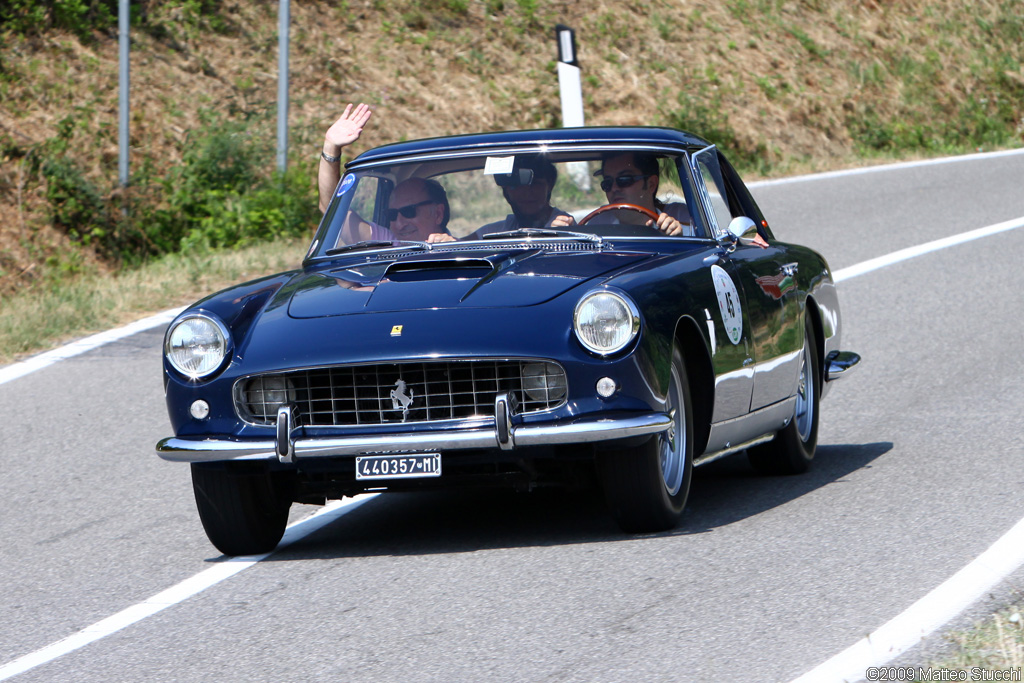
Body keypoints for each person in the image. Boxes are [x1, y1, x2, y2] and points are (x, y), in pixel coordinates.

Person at [319, 103, 454, 244]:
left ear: (438, 213)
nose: (399, 224)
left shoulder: (464, 253)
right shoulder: (388, 242)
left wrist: (450, 249)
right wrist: (330, 148)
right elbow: (332, 210)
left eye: (409, 212)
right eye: (392, 215)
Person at [596, 151, 694, 236]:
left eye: (624, 180)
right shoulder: (598, 224)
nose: (614, 188)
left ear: (651, 184)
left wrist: (676, 241)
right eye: (607, 183)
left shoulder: (684, 222)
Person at [474, 156, 574, 237]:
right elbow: (467, 241)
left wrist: (559, 234)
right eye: (517, 186)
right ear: (506, 191)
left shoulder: (563, 224)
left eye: (535, 184)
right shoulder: (506, 227)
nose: (527, 192)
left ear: (549, 186)